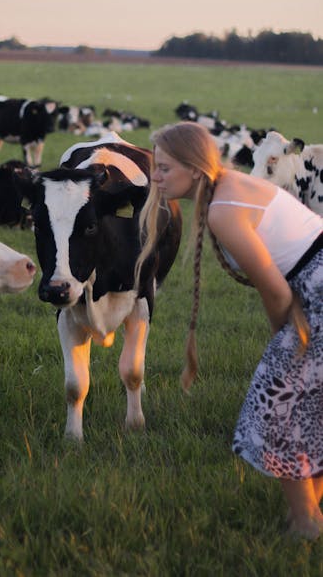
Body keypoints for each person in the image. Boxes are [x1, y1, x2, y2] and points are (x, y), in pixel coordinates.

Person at [135, 121, 323, 540]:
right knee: (308, 407)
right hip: (314, 284)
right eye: (155, 167)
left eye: (164, 168)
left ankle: (307, 524)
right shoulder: (226, 188)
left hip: (317, 287)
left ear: (195, 168)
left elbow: (275, 291)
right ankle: (304, 517)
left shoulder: (222, 211)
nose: (156, 176)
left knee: (279, 407)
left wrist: (284, 344)